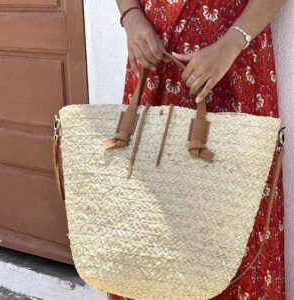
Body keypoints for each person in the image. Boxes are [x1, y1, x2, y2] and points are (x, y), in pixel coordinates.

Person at [109, 0, 286, 299]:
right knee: (146, 217)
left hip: (231, 66)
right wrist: (131, 16)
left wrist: (232, 43)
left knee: (233, 226)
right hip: (155, 60)